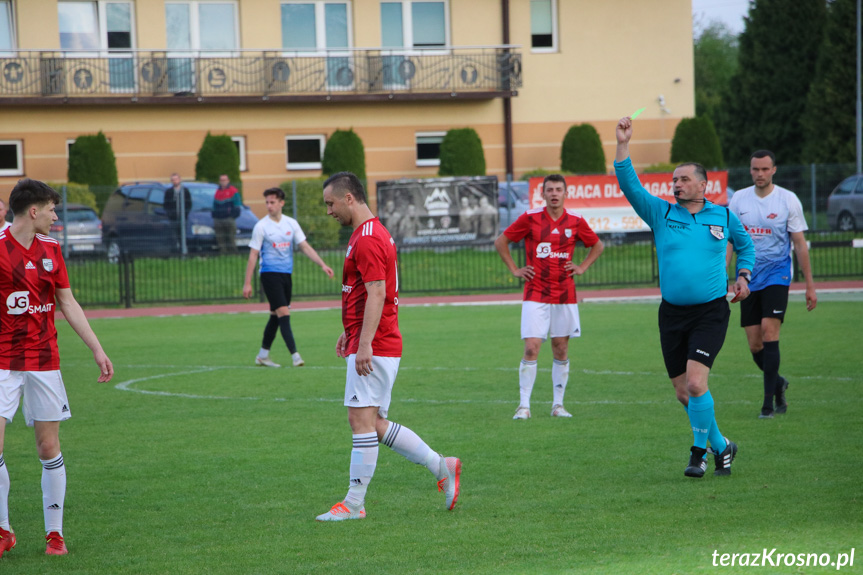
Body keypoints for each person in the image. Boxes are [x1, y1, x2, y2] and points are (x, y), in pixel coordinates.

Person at [614, 116, 755, 478]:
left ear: (703, 184)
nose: (676, 184)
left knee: (696, 384)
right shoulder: (662, 213)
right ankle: (723, 446)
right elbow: (631, 187)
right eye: (674, 180)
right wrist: (623, 145)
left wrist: (743, 275)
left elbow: (746, 246)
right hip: (672, 314)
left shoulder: (724, 215)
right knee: (683, 393)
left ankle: (698, 455)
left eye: (684, 179)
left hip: (710, 311)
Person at [316, 172, 460, 521]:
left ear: (349, 198)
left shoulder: (366, 238)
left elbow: (378, 292)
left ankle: (353, 505)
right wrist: (348, 332)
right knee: (373, 422)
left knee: (360, 421)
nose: (329, 211)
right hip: (372, 340)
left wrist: (363, 342)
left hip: (375, 344)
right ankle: (442, 466)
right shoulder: (367, 233)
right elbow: (361, 292)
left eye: (330, 203)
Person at [0, 179, 114, 557]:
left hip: (44, 361)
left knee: (48, 446)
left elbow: (68, 303)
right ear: (33, 211)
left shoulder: (51, 250)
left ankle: (54, 534)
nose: (55, 215)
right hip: (2, 361)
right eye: (51, 209)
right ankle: (3, 530)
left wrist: (97, 349)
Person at [494, 174, 604, 420]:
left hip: (565, 295)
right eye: (550, 190)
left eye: (558, 190)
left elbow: (597, 245)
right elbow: (501, 241)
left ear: (566, 194)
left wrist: (582, 267)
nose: (554, 194)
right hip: (535, 293)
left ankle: (558, 406)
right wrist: (515, 269)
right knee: (532, 348)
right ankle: (523, 406)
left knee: (560, 347)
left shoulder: (575, 221)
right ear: (542, 194)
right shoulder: (530, 218)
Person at [727, 150, 817, 419]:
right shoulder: (739, 200)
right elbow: (730, 240)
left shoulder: (788, 200)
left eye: (765, 169)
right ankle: (778, 383)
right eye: (755, 169)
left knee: (769, 332)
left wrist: (810, 286)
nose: (759, 174)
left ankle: (769, 404)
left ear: (774, 170)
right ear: (750, 170)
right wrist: (724, 274)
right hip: (748, 276)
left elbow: (799, 244)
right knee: (755, 344)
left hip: (778, 274)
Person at [242, 187, 334, 368]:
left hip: (286, 275)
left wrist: (322, 264)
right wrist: (247, 283)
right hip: (269, 275)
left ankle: (262, 355)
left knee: (275, 316)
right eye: (267, 202)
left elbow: (305, 247)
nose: (269, 206)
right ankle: (295, 356)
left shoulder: (291, 224)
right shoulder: (261, 226)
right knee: (284, 313)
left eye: (272, 202)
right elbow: (253, 255)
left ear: (281, 203)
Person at [213, 174, 242, 254]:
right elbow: (214, 205)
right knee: (220, 238)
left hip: (229, 218)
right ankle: (223, 254)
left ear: (228, 180)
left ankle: (234, 254)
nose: (223, 182)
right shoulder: (217, 191)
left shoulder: (233, 191)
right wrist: (215, 215)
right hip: (218, 219)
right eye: (221, 180)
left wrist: (232, 216)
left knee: (230, 237)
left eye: (224, 180)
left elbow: (237, 205)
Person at [164, 173, 193, 252]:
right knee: (174, 236)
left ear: (180, 179)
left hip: (183, 218)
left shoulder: (185, 191)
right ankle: (175, 252)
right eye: (173, 180)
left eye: (176, 179)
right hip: (173, 219)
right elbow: (166, 205)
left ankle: (184, 251)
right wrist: (170, 214)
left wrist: (185, 214)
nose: (175, 181)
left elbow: (189, 203)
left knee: (183, 235)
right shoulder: (169, 192)